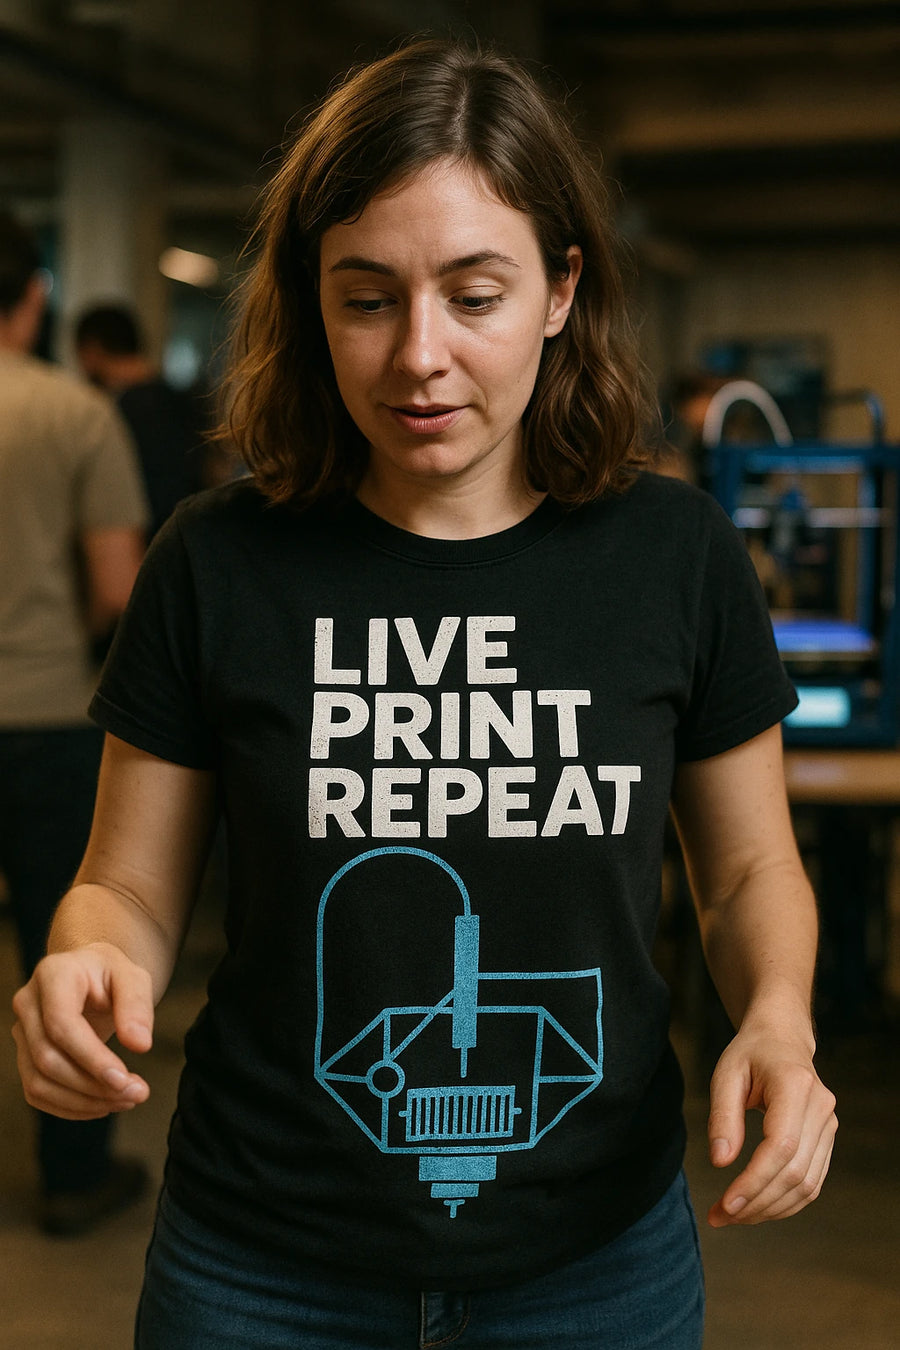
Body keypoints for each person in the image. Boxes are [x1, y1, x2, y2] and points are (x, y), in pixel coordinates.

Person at [11, 40, 837, 1348]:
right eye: (367, 299)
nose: (419, 356)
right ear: (311, 302)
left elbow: (746, 873)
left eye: (475, 294)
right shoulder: (217, 562)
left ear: (562, 289)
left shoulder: (673, 556)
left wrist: (781, 1023)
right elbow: (129, 886)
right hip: (261, 1262)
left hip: (594, 1264)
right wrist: (85, 960)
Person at [0, 210, 150, 1234]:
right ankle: (72, 1174)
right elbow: (115, 588)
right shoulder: (74, 413)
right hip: (45, 717)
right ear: (34, 297)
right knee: (64, 955)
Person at [74, 302, 209, 537]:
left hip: (142, 545)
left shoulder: (112, 414)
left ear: (92, 350)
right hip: (189, 537)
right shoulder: (185, 401)